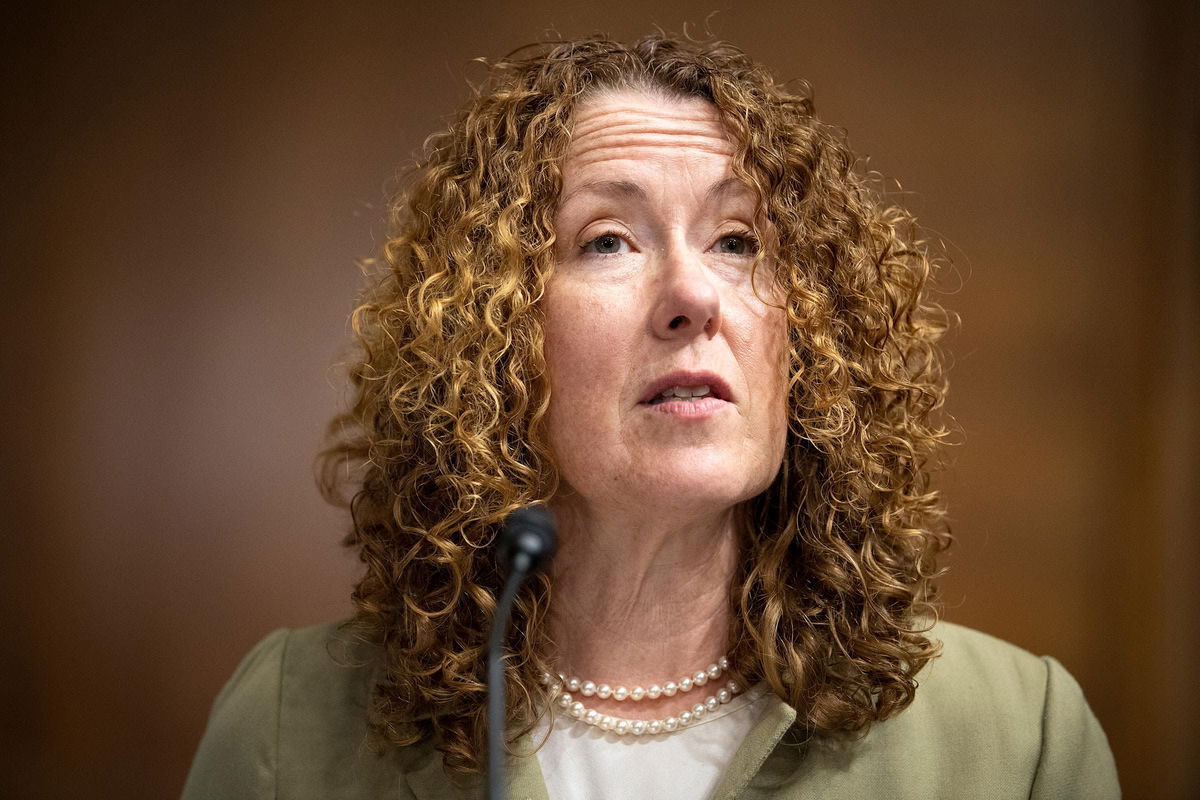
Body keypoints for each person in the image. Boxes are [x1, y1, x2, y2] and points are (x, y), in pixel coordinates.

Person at [181, 33, 1120, 799]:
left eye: (739, 239)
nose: (692, 294)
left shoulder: (1017, 739)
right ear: (493, 332)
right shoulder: (289, 725)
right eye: (608, 240)